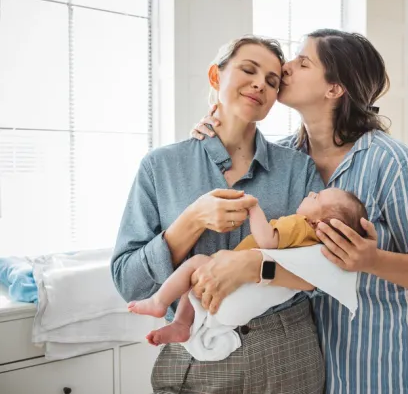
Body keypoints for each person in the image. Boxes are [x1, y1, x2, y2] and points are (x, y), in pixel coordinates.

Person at [191, 29, 408, 394]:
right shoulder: (283, 159)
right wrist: (211, 129)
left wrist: (371, 259)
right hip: (302, 365)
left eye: (303, 61)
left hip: (378, 366)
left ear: (334, 89)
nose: (286, 67)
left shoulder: (392, 164)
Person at [111, 36, 327, 394]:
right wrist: (191, 220)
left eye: (273, 81)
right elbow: (129, 283)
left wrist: (256, 268)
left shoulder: (298, 169)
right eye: (248, 69)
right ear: (216, 76)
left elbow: (322, 273)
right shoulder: (160, 167)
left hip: (287, 356)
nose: (261, 83)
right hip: (194, 358)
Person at [127, 188, 368, 347]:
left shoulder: (300, 225)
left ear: (319, 223)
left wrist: (254, 210)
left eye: (318, 198)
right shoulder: (313, 244)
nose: (312, 193)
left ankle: (161, 303)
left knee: (195, 263)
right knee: (194, 280)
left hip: (240, 278)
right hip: (249, 288)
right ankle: (181, 325)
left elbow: (268, 241)